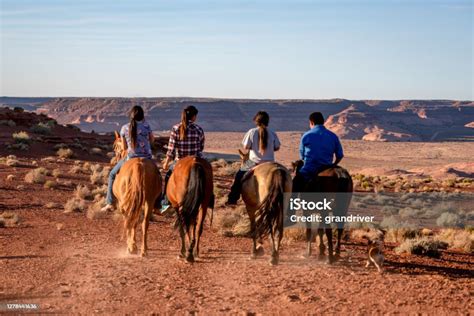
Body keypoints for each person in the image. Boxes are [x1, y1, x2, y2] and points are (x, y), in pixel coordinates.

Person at [101, 105, 154, 212]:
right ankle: (157, 204)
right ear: (142, 116)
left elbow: (124, 147)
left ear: (131, 115)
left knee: (112, 174)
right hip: (147, 157)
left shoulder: (125, 128)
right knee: (158, 176)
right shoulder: (147, 126)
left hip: (131, 157)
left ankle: (110, 203)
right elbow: (152, 140)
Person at [226, 111, 280, 205]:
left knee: (239, 176)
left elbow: (246, 146)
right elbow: (277, 147)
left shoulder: (251, 132)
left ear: (256, 121)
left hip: (253, 162)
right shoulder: (272, 133)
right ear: (267, 121)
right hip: (270, 163)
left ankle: (232, 199)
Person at [161, 105, 205, 213]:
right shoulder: (198, 129)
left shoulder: (176, 128)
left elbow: (171, 148)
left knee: (168, 177)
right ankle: (209, 199)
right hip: (196, 159)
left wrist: (166, 162)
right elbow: (201, 146)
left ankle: (165, 203)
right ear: (194, 117)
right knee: (207, 175)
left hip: (179, 161)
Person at [292, 112, 344, 192]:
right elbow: (339, 155)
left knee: (295, 184)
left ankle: (294, 203)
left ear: (311, 122)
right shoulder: (333, 136)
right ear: (323, 122)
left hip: (310, 168)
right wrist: (333, 165)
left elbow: (302, 156)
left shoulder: (306, 135)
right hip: (327, 166)